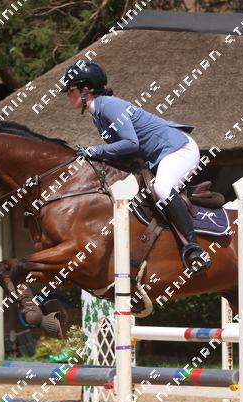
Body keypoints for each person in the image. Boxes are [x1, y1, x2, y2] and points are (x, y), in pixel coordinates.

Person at [60, 61, 210, 274]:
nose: (68, 95)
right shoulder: (98, 114)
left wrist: (94, 151)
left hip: (178, 149)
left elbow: (131, 143)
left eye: (70, 89)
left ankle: (193, 247)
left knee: (162, 188)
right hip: (157, 157)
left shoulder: (108, 105)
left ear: (86, 89)